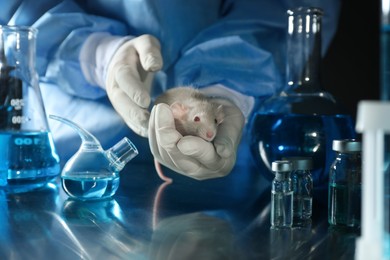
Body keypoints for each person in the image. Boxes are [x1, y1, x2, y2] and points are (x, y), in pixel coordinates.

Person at [0, 0, 341, 180]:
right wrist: (95, 53)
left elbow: (282, 10)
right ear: (180, 111)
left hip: (229, 179)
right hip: (77, 138)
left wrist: (229, 89)